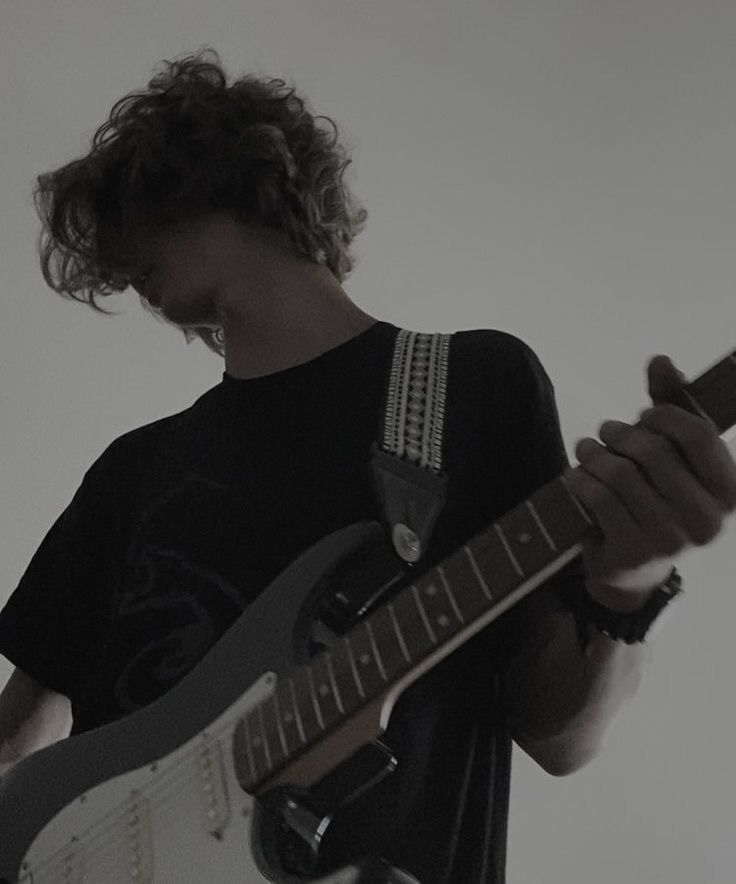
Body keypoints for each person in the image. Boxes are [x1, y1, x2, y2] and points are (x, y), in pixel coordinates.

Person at [4, 46, 714, 883]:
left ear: (207, 178)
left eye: (133, 218)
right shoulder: (132, 468)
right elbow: (20, 731)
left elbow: (559, 737)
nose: (122, 267)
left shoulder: (473, 386)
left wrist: (626, 587)